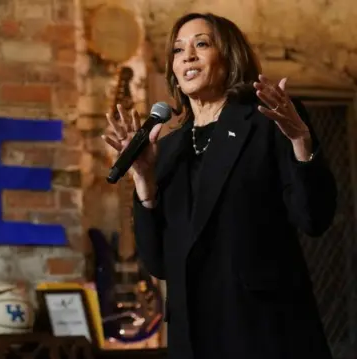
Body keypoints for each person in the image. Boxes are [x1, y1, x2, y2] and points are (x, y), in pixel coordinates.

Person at [102, 12, 337, 359]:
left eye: (202, 44)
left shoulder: (269, 121)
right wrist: (143, 181)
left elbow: (314, 218)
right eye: (178, 50)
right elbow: (159, 264)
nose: (188, 56)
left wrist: (301, 141)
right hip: (192, 337)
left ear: (229, 58)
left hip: (261, 330)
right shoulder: (165, 150)